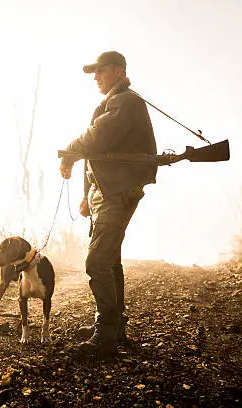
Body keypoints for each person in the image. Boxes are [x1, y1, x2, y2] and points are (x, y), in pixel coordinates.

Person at [59, 51, 157, 358]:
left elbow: (96, 138)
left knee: (97, 262)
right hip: (107, 192)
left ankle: (106, 336)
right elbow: (98, 156)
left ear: (117, 71)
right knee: (110, 260)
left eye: (100, 71)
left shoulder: (125, 102)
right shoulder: (118, 101)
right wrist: (87, 194)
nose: (95, 77)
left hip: (116, 193)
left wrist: (68, 152)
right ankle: (113, 327)